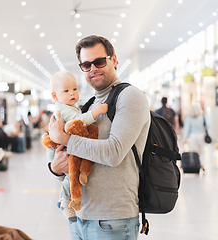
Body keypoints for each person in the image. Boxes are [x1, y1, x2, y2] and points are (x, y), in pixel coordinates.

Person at [47, 35, 150, 240]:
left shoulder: (129, 97)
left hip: (112, 220)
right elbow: (73, 155)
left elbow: (113, 153)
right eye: (86, 64)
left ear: (114, 60)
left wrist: (66, 140)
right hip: (80, 216)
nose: (93, 68)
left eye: (99, 61)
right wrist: (55, 167)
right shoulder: (90, 104)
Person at [46, 69, 108, 222]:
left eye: (75, 89)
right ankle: (65, 201)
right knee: (70, 173)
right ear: (55, 96)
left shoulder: (68, 106)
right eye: (66, 90)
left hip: (62, 145)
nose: (72, 93)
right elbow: (79, 120)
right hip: (58, 148)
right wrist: (96, 112)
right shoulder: (62, 108)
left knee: (72, 172)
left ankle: (65, 200)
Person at [183, 104, 206, 171]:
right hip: (201, 135)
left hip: (193, 136)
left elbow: (187, 129)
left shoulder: (189, 118)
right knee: (202, 151)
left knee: (195, 151)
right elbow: (207, 126)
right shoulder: (202, 117)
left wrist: (185, 138)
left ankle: (196, 164)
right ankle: (202, 164)